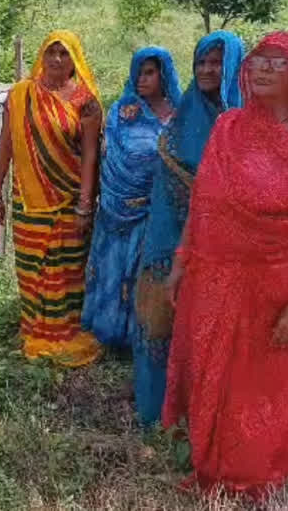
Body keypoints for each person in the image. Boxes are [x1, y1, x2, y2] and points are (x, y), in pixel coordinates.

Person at [163, 32, 288, 499]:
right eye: (259, 59)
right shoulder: (229, 127)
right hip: (213, 277)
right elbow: (205, 202)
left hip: (276, 288)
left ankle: (252, 477)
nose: (263, 68)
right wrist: (182, 260)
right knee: (211, 373)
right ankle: (210, 466)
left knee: (260, 385)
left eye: (278, 63)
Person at [132, 30, 244, 426]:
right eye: (201, 62)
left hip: (223, 247)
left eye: (216, 61)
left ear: (234, 66)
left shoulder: (245, 124)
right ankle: (156, 410)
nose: (207, 69)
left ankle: (203, 414)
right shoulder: (184, 116)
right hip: (168, 237)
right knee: (159, 320)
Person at [0, 30, 103, 367]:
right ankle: (34, 330)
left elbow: (90, 158)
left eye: (64, 54)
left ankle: (64, 333)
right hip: (29, 204)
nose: (56, 60)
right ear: (42, 54)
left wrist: (85, 204)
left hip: (69, 204)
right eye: (51, 52)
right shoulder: (21, 95)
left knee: (67, 272)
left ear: (74, 59)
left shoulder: (87, 102)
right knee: (30, 270)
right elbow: (5, 144)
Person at [82, 47, 180, 349]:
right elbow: (109, 157)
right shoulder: (123, 113)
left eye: (149, 72)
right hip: (118, 208)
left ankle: (143, 334)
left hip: (160, 210)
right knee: (112, 267)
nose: (141, 78)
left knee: (146, 273)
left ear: (163, 75)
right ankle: (108, 331)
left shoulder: (180, 115)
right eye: (138, 71)